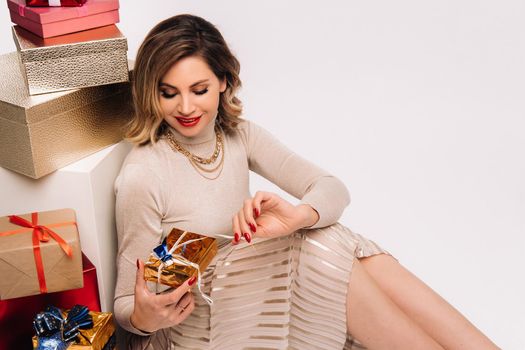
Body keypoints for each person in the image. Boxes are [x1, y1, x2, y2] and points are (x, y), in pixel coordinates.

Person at [114, 14, 499, 350]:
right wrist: (146, 316)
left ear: (224, 83)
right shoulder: (144, 173)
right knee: (317, 246)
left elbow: (332, 188)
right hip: (195, 328)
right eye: (169, 93)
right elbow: (125, 307)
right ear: (152, 92)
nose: (185, 107)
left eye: (199, 90)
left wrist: (299, 216)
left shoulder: (238, 136)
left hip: (252, 303)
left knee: (325, 234)